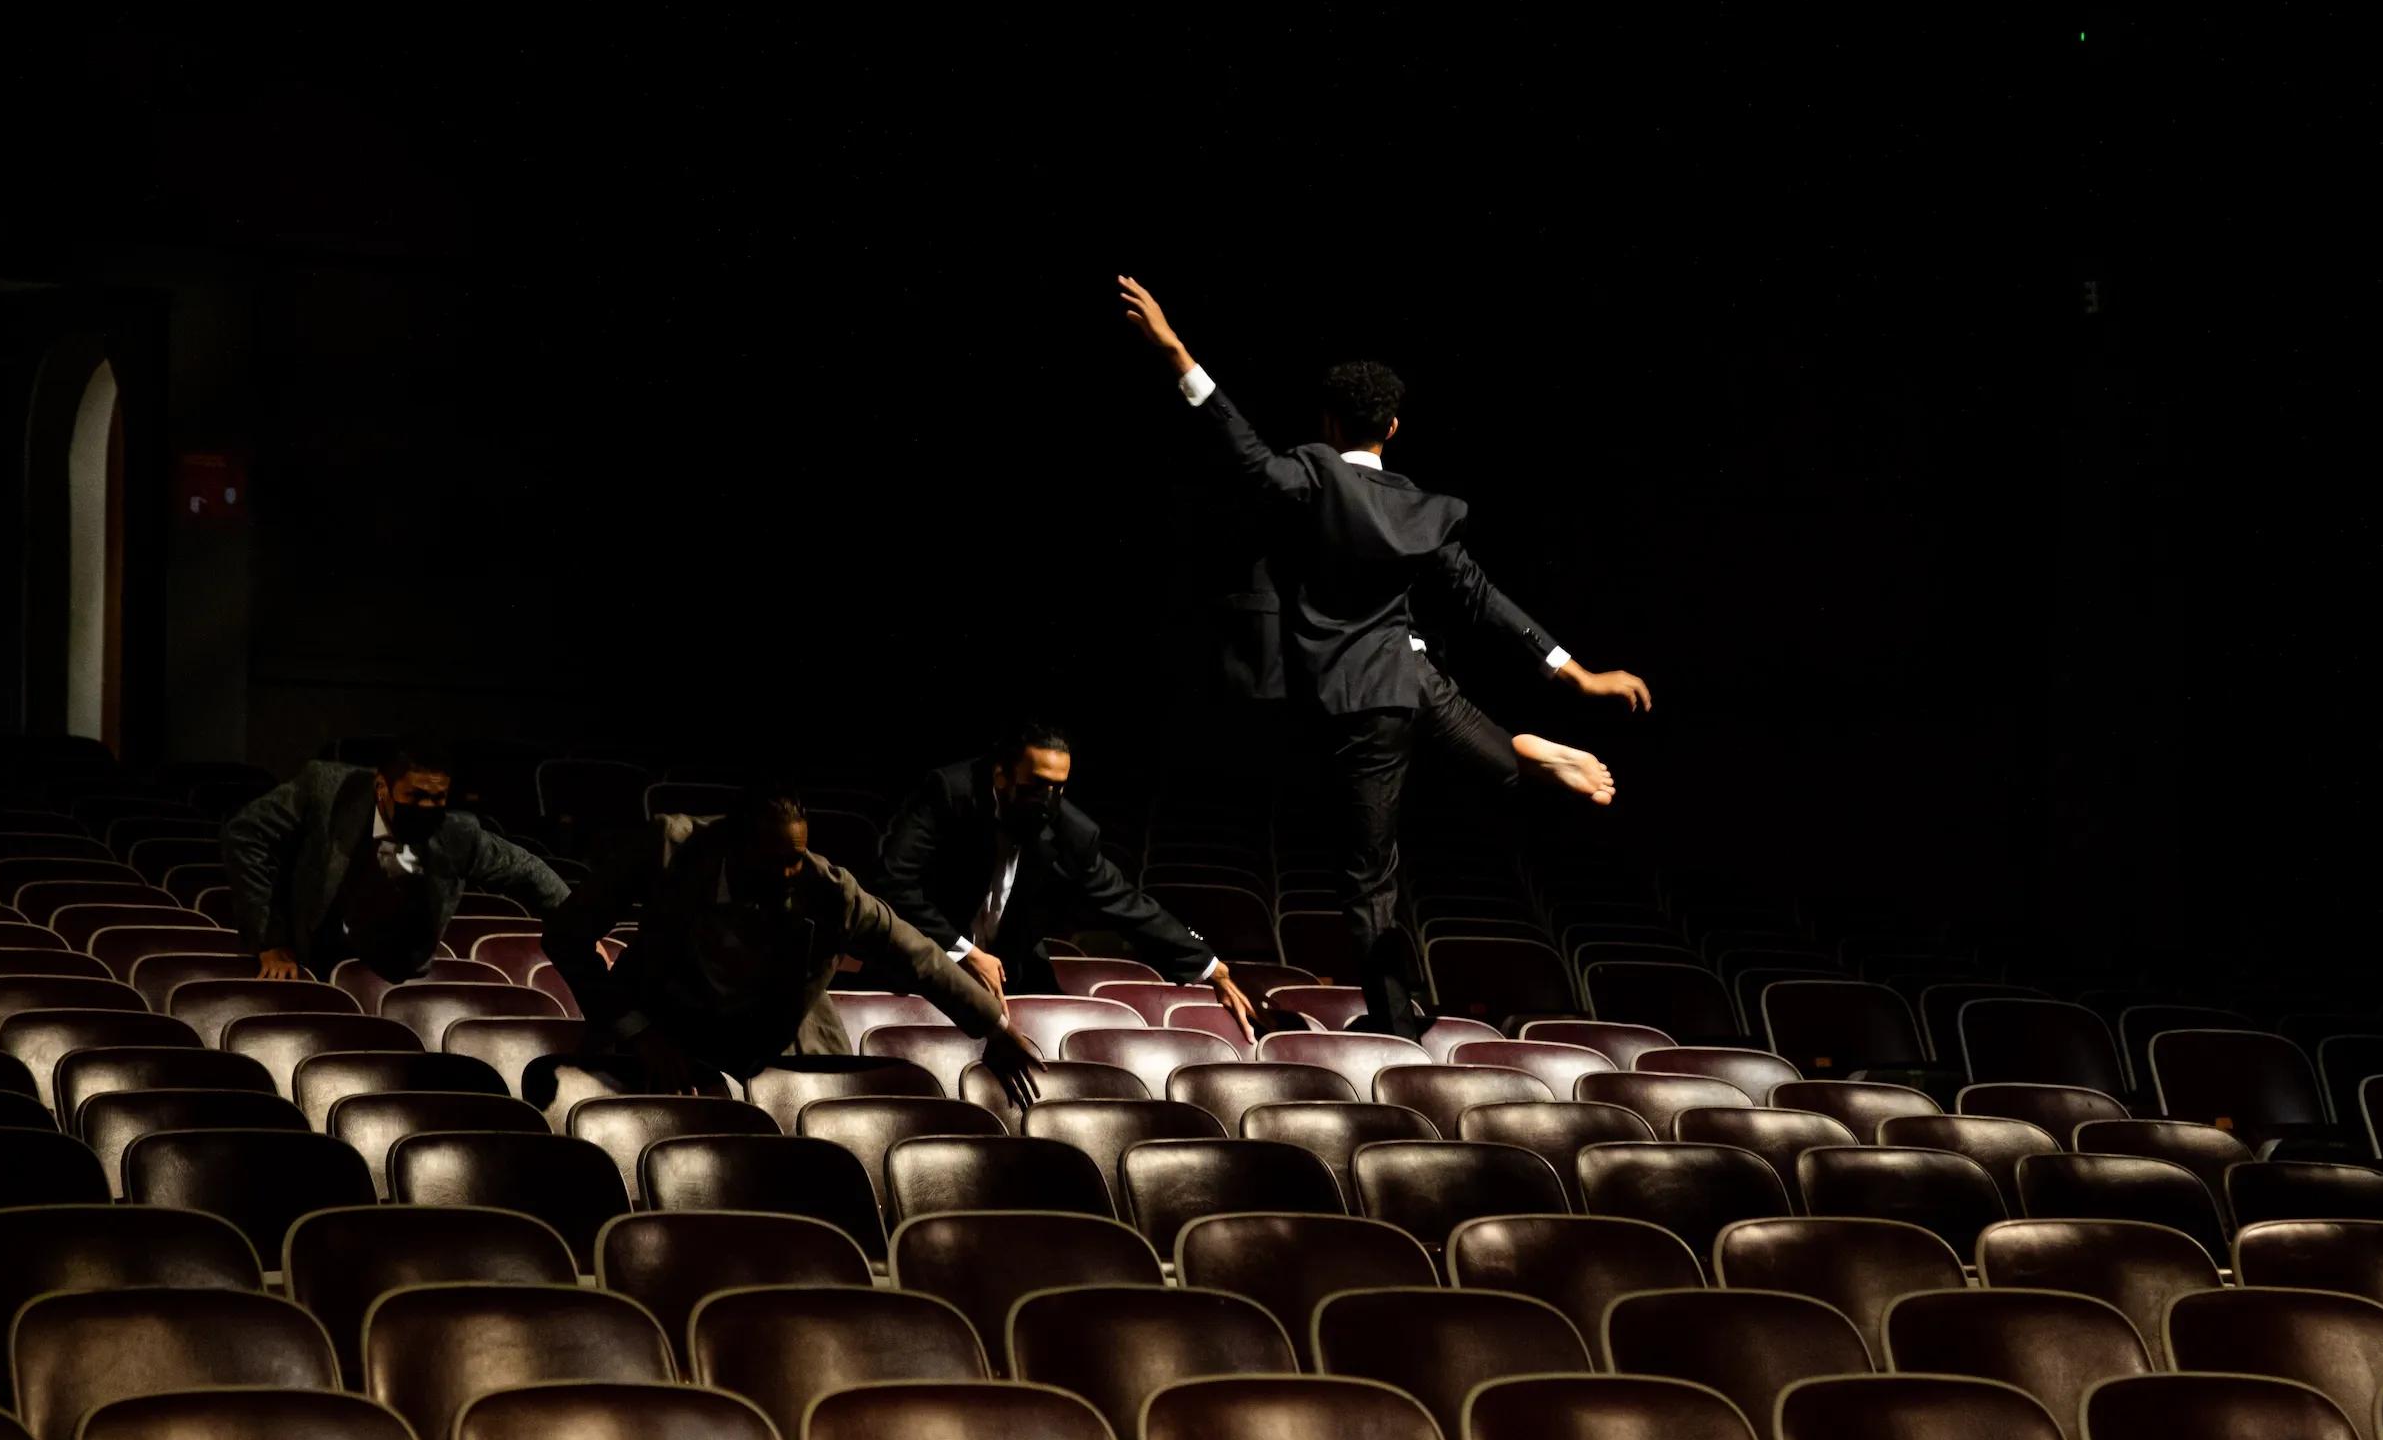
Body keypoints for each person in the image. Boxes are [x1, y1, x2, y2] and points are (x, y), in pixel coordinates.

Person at [1117, 273, 1656, 1036]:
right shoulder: (1417, 505)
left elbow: (1239, 449)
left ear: (1330, 421)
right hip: (1418, 677)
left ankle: (1398, 1023)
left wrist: (1174, 352)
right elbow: (1480, 596)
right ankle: (1520, 753)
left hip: (1360, 699)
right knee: (1503, 774)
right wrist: (1575, 672)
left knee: (1369, 877)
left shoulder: (1308, 476)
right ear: (1393, 428)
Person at [541, 787, 1044, 1102]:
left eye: (797, 860)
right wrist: (638, 1031)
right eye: (773, 861)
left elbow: (917, 956)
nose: (789, 874)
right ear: (732, 846)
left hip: (779, 1037)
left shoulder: (828, 888)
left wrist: (994, 1028)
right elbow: (565, 936)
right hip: (663, 1029)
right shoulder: (670, 849)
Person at [878, 719, 1262, 1032]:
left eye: (1058, 788)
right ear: (1001, 776)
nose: (1048, 801)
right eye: (1036, 785)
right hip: (922, 963)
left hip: (1014, 972)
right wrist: (964, 952)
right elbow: (894, 881)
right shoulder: (948, 793)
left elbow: (1125, 903)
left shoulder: (1073, 833)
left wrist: (1211, 969)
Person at [220, 737, 567, 984]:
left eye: (438, 798)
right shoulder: (327, 789)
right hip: (311, 948)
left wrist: (580, 926)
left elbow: (526, 869)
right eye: (416, 796)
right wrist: (270, 939)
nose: (428, 807)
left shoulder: (457, 832)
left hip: (389, 968)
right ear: (382, 788)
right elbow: (246, 834)